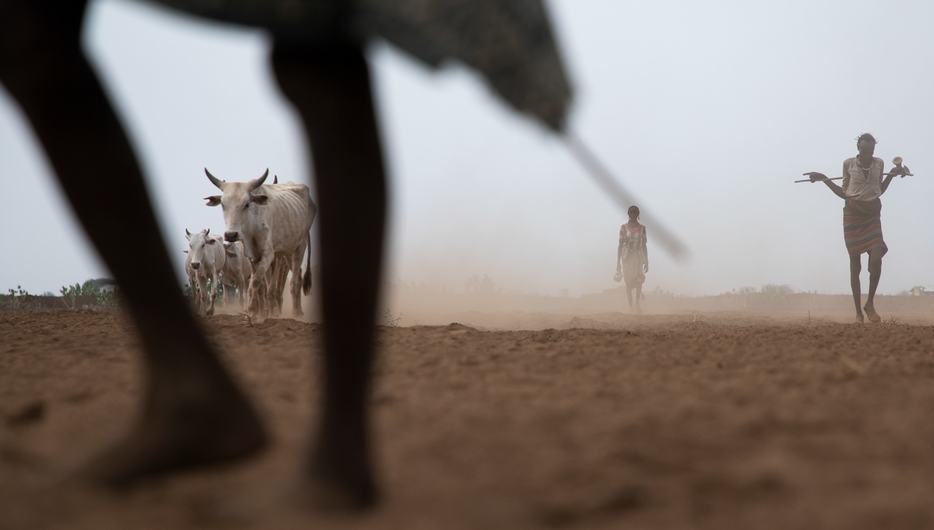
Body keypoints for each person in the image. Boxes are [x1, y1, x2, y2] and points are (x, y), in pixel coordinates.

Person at [0, 0, 571, 510]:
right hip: (253, 229)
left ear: (259, 196)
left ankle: (340, 445)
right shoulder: (231, 215)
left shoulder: (280, 201)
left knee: (319, 50)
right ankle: (189, 378)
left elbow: (271, 249)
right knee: (25, 28)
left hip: (285, 225)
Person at [804, 133, 906, 322]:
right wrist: (824, 179)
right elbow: (844, 193)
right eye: (863, 149)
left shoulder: (879, 164)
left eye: (870, 149)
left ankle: (870, 304)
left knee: (876, 258)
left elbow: (879, 189)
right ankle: (858, 312)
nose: (867, 152)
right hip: (852, 214)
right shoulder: (848, 164)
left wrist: (892, 175)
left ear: (874, 149)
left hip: (872, 213)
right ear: (858, 148)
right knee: (855, 265)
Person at [615, 205, 649, 313]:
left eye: (635, 213)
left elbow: (644, 245)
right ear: (628, 214)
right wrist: (617, 264)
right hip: (627, 259)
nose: (633, 215)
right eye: (631, 212)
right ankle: (630, 306)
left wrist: (647, 261)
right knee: (628, 283)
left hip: (638, 258)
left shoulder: (642, 228)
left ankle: (637, 304)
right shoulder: (623, 228)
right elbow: (620, 245)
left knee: (639, 281)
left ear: (637, 214)